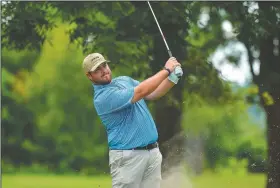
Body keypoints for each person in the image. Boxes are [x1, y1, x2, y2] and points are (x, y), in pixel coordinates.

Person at [82, 53, 183, 188]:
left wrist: (173, 77)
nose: (104, 70)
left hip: (152, 153)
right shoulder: (103, 98)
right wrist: (167, 70)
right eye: (97, 69)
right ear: (89, 76)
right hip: (128, 158)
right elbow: (140, 91)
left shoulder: (124, 80)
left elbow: (152, 92)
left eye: (104, 65)